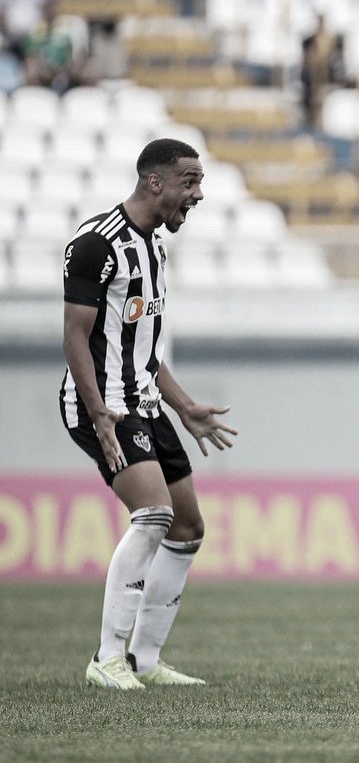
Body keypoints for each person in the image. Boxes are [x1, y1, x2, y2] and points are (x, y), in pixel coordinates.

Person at [63, 138, 238, 690]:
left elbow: (145, 346)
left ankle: (143, 659)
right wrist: (98, 413)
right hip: (104, 406)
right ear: (154, 181)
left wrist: (184, 407)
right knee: (155, 515)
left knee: (187, 528)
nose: (199, 194)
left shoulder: (155, 249)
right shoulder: (96, 245)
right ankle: (106, 659)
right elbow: (75, 338)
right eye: (190, 182)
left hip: (146, 405)